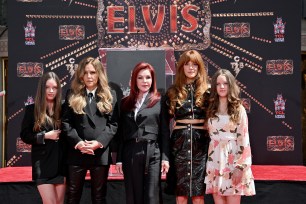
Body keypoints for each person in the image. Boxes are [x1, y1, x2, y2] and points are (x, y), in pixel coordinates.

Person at [62, 56, 118, 204]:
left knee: (99, 197)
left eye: (93, 72)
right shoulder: (72, 94)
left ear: (99, 74)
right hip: (76, 153)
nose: (89, 76)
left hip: (99, 153)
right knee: (73, 195)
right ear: (81, 75)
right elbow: (66, 123)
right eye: (86, 73)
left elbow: (113, 124)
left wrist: (98, 143)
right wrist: (79, 143)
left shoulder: (109, 95)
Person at [115, 62, 170, 204]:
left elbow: (164, 131)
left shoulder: (160, 100)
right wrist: (119, 159)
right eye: (140, 78)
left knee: (152, 197)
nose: (145, 81)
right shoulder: (125, 102)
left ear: (153, 80)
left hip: (153, 152)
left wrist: (165, 157)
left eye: (148, 77)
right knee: (134, 197)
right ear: (134, 80)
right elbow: (121, 133)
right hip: (130, 153)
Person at [163, 50, 210, 204]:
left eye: (195, 64)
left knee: (198, 194)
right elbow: (163, 125)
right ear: (181, 67)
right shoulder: (172, 92)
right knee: (181, 193)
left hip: (202, 146)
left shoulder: (208, 92)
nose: (191, 68)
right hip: (179, 145)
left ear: (200, 67)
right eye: (187, 64)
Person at [205, 69, 256, 204]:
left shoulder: (238, 109)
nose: (222, 87)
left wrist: (240, 167)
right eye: (218, 84)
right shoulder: (211, 108)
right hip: (215, 160)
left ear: (231, 85)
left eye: (225, 83)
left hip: (233, 161)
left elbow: (244, 139)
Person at [20, 72, 66, 204]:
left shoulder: (63, 109)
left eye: (55, 87)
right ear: (42, 88)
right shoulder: (31, 110)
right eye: (47, 87)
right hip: (42, 165)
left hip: (61, 164)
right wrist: (45, 136)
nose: (51, 91)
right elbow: (25, 135)